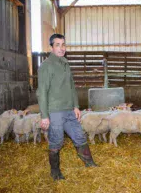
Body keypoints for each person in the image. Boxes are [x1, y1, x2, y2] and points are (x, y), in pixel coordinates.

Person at [37, 34, 97, 181]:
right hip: (55, 111)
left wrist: (76, 106)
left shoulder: (65, 63)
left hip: (69, 110)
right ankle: (55, 172)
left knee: (79, 136)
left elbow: (71, 87)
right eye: (57, 44)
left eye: (63, 44)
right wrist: (44, 115)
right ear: (51, 47)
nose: (61, 48)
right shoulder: (46, 66)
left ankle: (90, 163)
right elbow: (42, 92)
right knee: (56, 141)